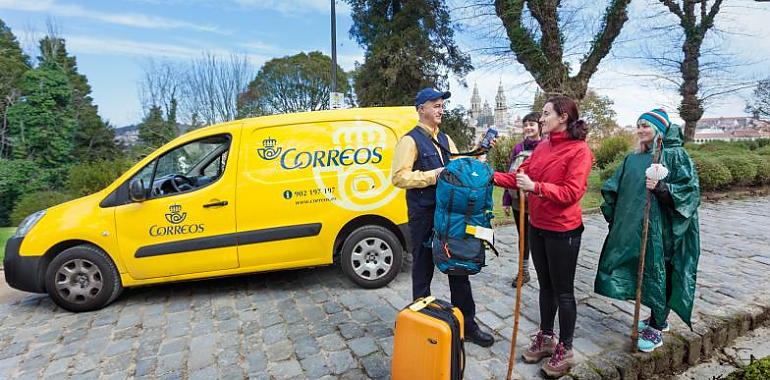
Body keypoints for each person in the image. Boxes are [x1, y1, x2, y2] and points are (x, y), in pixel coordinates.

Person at [492, 96, 592, 378]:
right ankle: (546, 337)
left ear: (563, 117)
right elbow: (520, 176)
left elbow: (572, 193)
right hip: (537, 225)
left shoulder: (580, 151)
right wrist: (490, 176)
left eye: (546, 114)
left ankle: (567, 348)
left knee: (563, 291)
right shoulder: (544, 146)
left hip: (563, 230)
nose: (541, 118)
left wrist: (536, 187)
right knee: (545, 287)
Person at [391, 87, 495, 347]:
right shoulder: (409, 140)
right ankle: (421, 327)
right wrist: (433, 175)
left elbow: (457, 166)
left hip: (449, 215)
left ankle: (467, 325)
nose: (441, 110)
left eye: (441, 105)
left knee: (457, 265)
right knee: (423, 269)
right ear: (421, 109)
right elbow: (398, 177)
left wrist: (479, 151)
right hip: (423, 215)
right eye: (435, 105)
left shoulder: (446, 139)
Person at [594, 109, 701, 353]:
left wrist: (664, 189)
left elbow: (690, 191)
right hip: (635, 228)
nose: (641, 129)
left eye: (646, 125)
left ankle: (658, 325)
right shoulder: (632, 159)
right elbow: (615, 187)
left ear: (660, 130)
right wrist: (616, 213)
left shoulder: (674, 156)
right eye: (638, 124)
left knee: (660, 272)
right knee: (641, 271)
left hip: (664, 231)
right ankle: (655, 317)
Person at [502, 112, 542, 286]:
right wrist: (506, 200)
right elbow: (510, 173)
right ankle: (523, 272)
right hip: (518, 202)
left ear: (539, 126)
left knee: (538, 239)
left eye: (532, 124)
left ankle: (544, 274)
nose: (528, 128)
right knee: (523, 238)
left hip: (538, 201)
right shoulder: (518, 148)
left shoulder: (546, 146)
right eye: (526, 125)